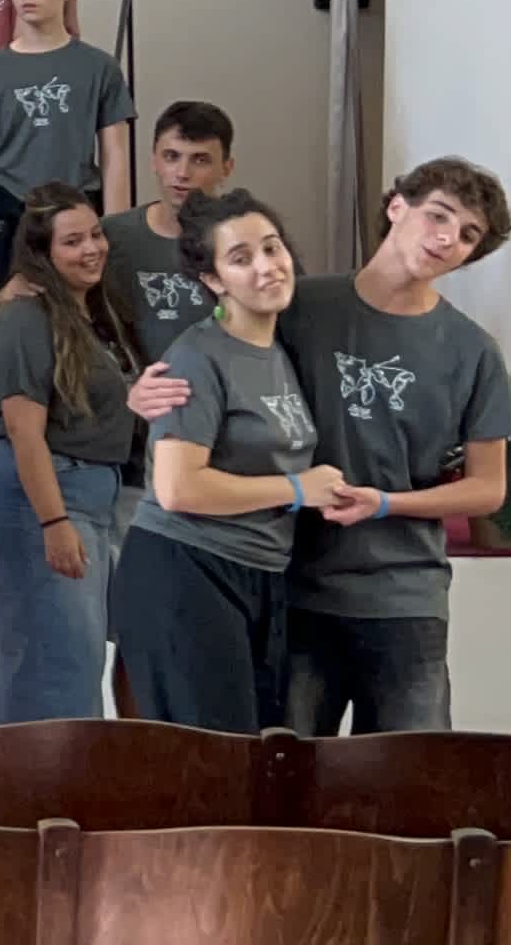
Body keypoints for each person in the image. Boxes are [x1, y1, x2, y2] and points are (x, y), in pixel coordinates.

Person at [275, 159, 511, 736]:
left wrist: (384, 503)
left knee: (409, 777)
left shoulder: (472, 349)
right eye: (439, 215)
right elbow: (218, 354)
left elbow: (488, 489)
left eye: (468, 235)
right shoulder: (300, 307)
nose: (448, 239)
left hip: (406, 597)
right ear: (396, 206)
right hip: (293, 584)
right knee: (281, 769)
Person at [114, 189, 371, 733]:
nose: (266, 267)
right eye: (241, 258)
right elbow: (179, 489)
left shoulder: (282, 348)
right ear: (213, 280)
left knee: (255, 751)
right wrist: (297, 488)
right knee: (213, 758)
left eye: (272, 248)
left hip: (261, 572)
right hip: (187, 568)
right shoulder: (196, 356)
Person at [0, 182, 139, 722]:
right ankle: (40, 774)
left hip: (91, 494)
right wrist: (54, 521)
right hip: (43, 495)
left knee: (75, 657)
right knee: (51, 667)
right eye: (72, 241)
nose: (91, 249)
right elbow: (24, 432)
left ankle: (64, 771)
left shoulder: (94, 312)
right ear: (41, 254)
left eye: (95, 235)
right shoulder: (24, 319)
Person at [0, 0, 135, 348]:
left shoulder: (98, 67)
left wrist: (114, 234)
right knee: (6, 331)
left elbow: (115, 154)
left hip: (76, 205)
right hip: (6, 207)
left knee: (83, 330)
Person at [108, 100, 237, 366]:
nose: (182, 173)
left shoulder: (247, 242)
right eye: (171, 156)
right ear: (154, 160)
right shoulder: (109, 237)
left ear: (227, 168)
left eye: (200, 160)